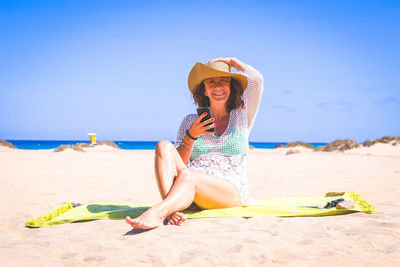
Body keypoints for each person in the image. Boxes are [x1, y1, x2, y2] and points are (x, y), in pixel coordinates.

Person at [126, 57, 264, 229]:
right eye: (211, 82)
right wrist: (191, 136)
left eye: (223, 81)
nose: (218, 86)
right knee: (164, 146)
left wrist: (231, 61)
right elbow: (178, 164)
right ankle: (171, 207)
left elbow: (256, 80)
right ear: (204, 91)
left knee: (189, 175)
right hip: (190, 189)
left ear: (231, 87)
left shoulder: (241, 116)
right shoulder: (190, 122)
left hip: (229, 191)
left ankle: (158, 212)